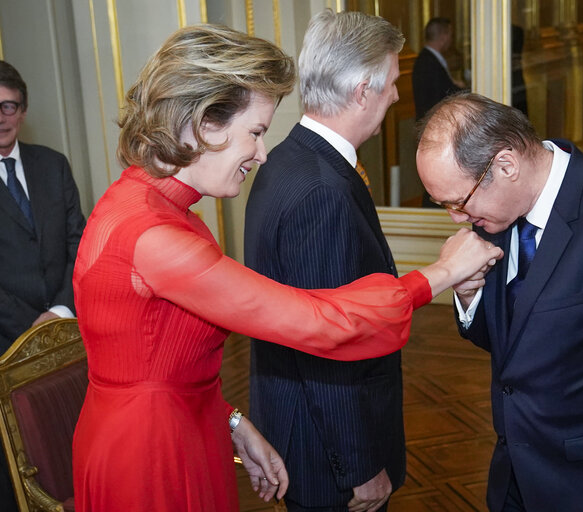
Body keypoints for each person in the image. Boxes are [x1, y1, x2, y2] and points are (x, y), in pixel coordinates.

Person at [71, 25, 502, 512]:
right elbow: (314, 322)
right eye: (254, 132)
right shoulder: (156, 237)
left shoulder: (148, 205)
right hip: (151, 456)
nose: (260, 153)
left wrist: (233, 422)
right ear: (204, 123)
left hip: (182, 426)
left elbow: (159, 362)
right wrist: (442, 273)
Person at [416, 93, 583, 511]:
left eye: (458, 201)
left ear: (505, 165)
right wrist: (470, 297)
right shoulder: (496, 214)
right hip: (514, 477)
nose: (456, 217)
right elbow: (523, 343)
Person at [244, 10, 405, 512]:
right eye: (392, 82)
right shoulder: (322, 190)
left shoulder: (290, 157)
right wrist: (360, 468)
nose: (397, 95)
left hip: (297, 421)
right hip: (326, 449)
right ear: (362, 90)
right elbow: (327, 345)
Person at [0, 60, 86, 512]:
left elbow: (80, 244)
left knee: (68, 453)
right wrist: (31, 326)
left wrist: (61, 311)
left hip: (66, 337)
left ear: (23, 110)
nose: (0, 116)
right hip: (4, 346)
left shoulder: (52, 165)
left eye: (8, 105)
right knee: (15, 469)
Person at [412, 17, 464, 121]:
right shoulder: (427, 62)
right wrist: (464, 89)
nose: (451, 39)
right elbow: (443, 95)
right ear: (444, 37)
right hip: (432, 121)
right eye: (450, 35)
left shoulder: (429, 58)